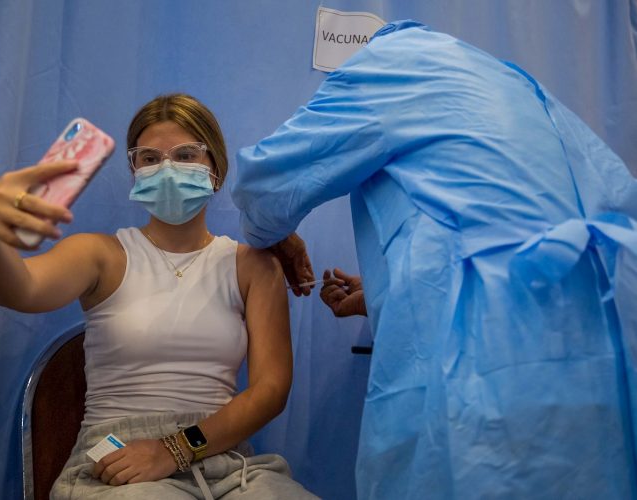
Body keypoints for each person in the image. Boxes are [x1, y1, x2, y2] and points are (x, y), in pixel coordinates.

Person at [232, 20, 637, 500]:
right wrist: (389, 294)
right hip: (601, 351)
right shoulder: (520, 88)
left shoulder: (389, 65)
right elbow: (613, 201)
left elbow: (267, 183)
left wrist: (276, 235)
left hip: (487, 359)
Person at [0, 94, 318, 499]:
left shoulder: (254, 266)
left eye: (186, 154)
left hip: (222, 456)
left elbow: (270, 391)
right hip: (118, 462)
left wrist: (176, 449)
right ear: (134, 170)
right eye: (150, 158)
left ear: (215, 170)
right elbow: (20, 289)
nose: (167, 169)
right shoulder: (99, 255)